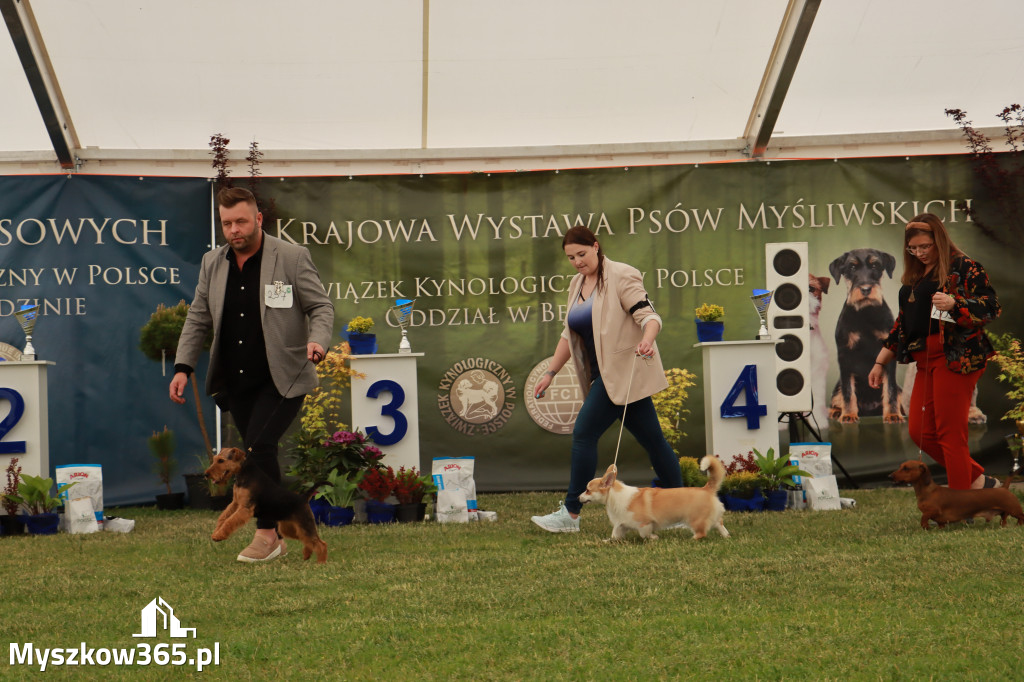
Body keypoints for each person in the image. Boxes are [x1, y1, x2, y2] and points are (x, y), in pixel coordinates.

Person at [170, 187, 334, 561]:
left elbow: (321, 307)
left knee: (259, 447)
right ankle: (280, 530)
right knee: (259, 452)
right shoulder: (213, 262)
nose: (234, 230)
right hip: (235, 380)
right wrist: (183, 367)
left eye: (241, 221)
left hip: (284, 376)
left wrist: (318, 342)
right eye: (226, 223)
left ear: (258, 219)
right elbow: (198, 317)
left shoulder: (291, 257)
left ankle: (266, 536)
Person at [530, 225, 684, 532]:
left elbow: (649, 316)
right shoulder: (577, 284)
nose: (577, 262)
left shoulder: (623, 275)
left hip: (623, 374)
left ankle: (571, 513)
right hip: (602, 377)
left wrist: (648, 339)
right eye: (571, 257)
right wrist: (550, 373)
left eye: (582, 254)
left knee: (584, 434)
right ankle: (680, 513)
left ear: (596, 246)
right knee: (654, 441)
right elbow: (568, 334)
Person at [868, 213, 1000, 490]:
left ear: (938, 240)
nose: (919, 253)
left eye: (925, 246)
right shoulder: (915, 276)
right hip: (924, 361)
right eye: (913, 248)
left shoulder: (964, 267)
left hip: (956, 359)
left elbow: (990, 307)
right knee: (920, 432)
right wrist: (880, 362)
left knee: (951, 435)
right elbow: (904, 324)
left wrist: (955, 303)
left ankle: (961, 504)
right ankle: (979, 483)